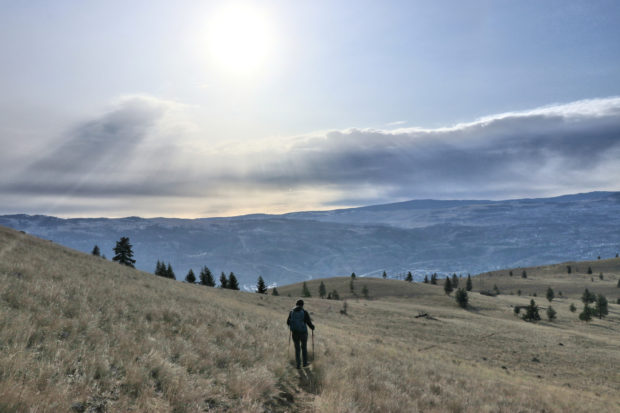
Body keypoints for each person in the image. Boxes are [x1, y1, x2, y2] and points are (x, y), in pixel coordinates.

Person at [287, 299, 315, 369]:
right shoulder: (304, 312)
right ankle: (304, 363)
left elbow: (288, 322)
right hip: (303, 333)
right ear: (302, 305)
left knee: (297, 348)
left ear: (296, 304)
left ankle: (298, 364)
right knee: (304, 348)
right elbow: (308, 322)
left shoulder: (291, 312)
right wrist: (312, 327)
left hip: (294, 333)